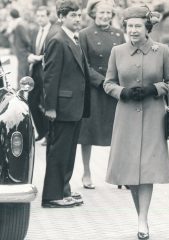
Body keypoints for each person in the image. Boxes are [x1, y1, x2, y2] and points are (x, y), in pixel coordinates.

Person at [103, 5, 169, 239]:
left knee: (147, 169)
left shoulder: (161, 50)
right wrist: (122, 92)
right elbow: (108, 83)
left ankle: (142, 220)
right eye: (129, 26)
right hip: (125, 118)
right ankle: (141, 217)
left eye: (138, 26)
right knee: (130, 171)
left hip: (153, 117)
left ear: (147, 28)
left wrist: (155, 89)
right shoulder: (117, 51)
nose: (133, 30)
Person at [41, 0, 90, 208]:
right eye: (72, 16)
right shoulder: (58, 40)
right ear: (61, 17)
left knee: (68, 151)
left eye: (79, 15)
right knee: (59, 151)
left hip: (73, 107)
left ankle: (63, 189)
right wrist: (50, 107)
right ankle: (52, 196)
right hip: (62, 107)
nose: (77, 19)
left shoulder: (72, 38)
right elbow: (50, 76)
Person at [78, 0, 126, 190]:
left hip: (114, 90)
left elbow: (124, 60)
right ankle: (86, 172)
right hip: (95, 90)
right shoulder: (84, 34)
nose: (105, 16)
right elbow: (83, 64)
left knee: (118, 134)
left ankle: (119, 173)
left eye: (108, 12)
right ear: (93, 13)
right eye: (101, 12)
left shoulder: (118, 34)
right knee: (88, 134)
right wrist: (102, 82)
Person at [27, 6, 51, 144]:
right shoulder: (35, 31)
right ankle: (41, 131)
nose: (40, 18)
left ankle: (49, 134)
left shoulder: (53, 32)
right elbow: (29, 48)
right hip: (34, 73)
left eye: (43, 16)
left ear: (48, 16)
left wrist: (41, 57)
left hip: (47, 72)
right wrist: (30, 56)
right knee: (31, 102)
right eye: (38, 16)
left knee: (46, 103)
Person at [6, 8, 31, 82]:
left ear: (12, 16)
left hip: (22, 51)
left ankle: (21, 90)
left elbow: (27, 40)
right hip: (21, 51)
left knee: (22, 72)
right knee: (22, 71)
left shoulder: (19, 25)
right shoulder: (17, 23)